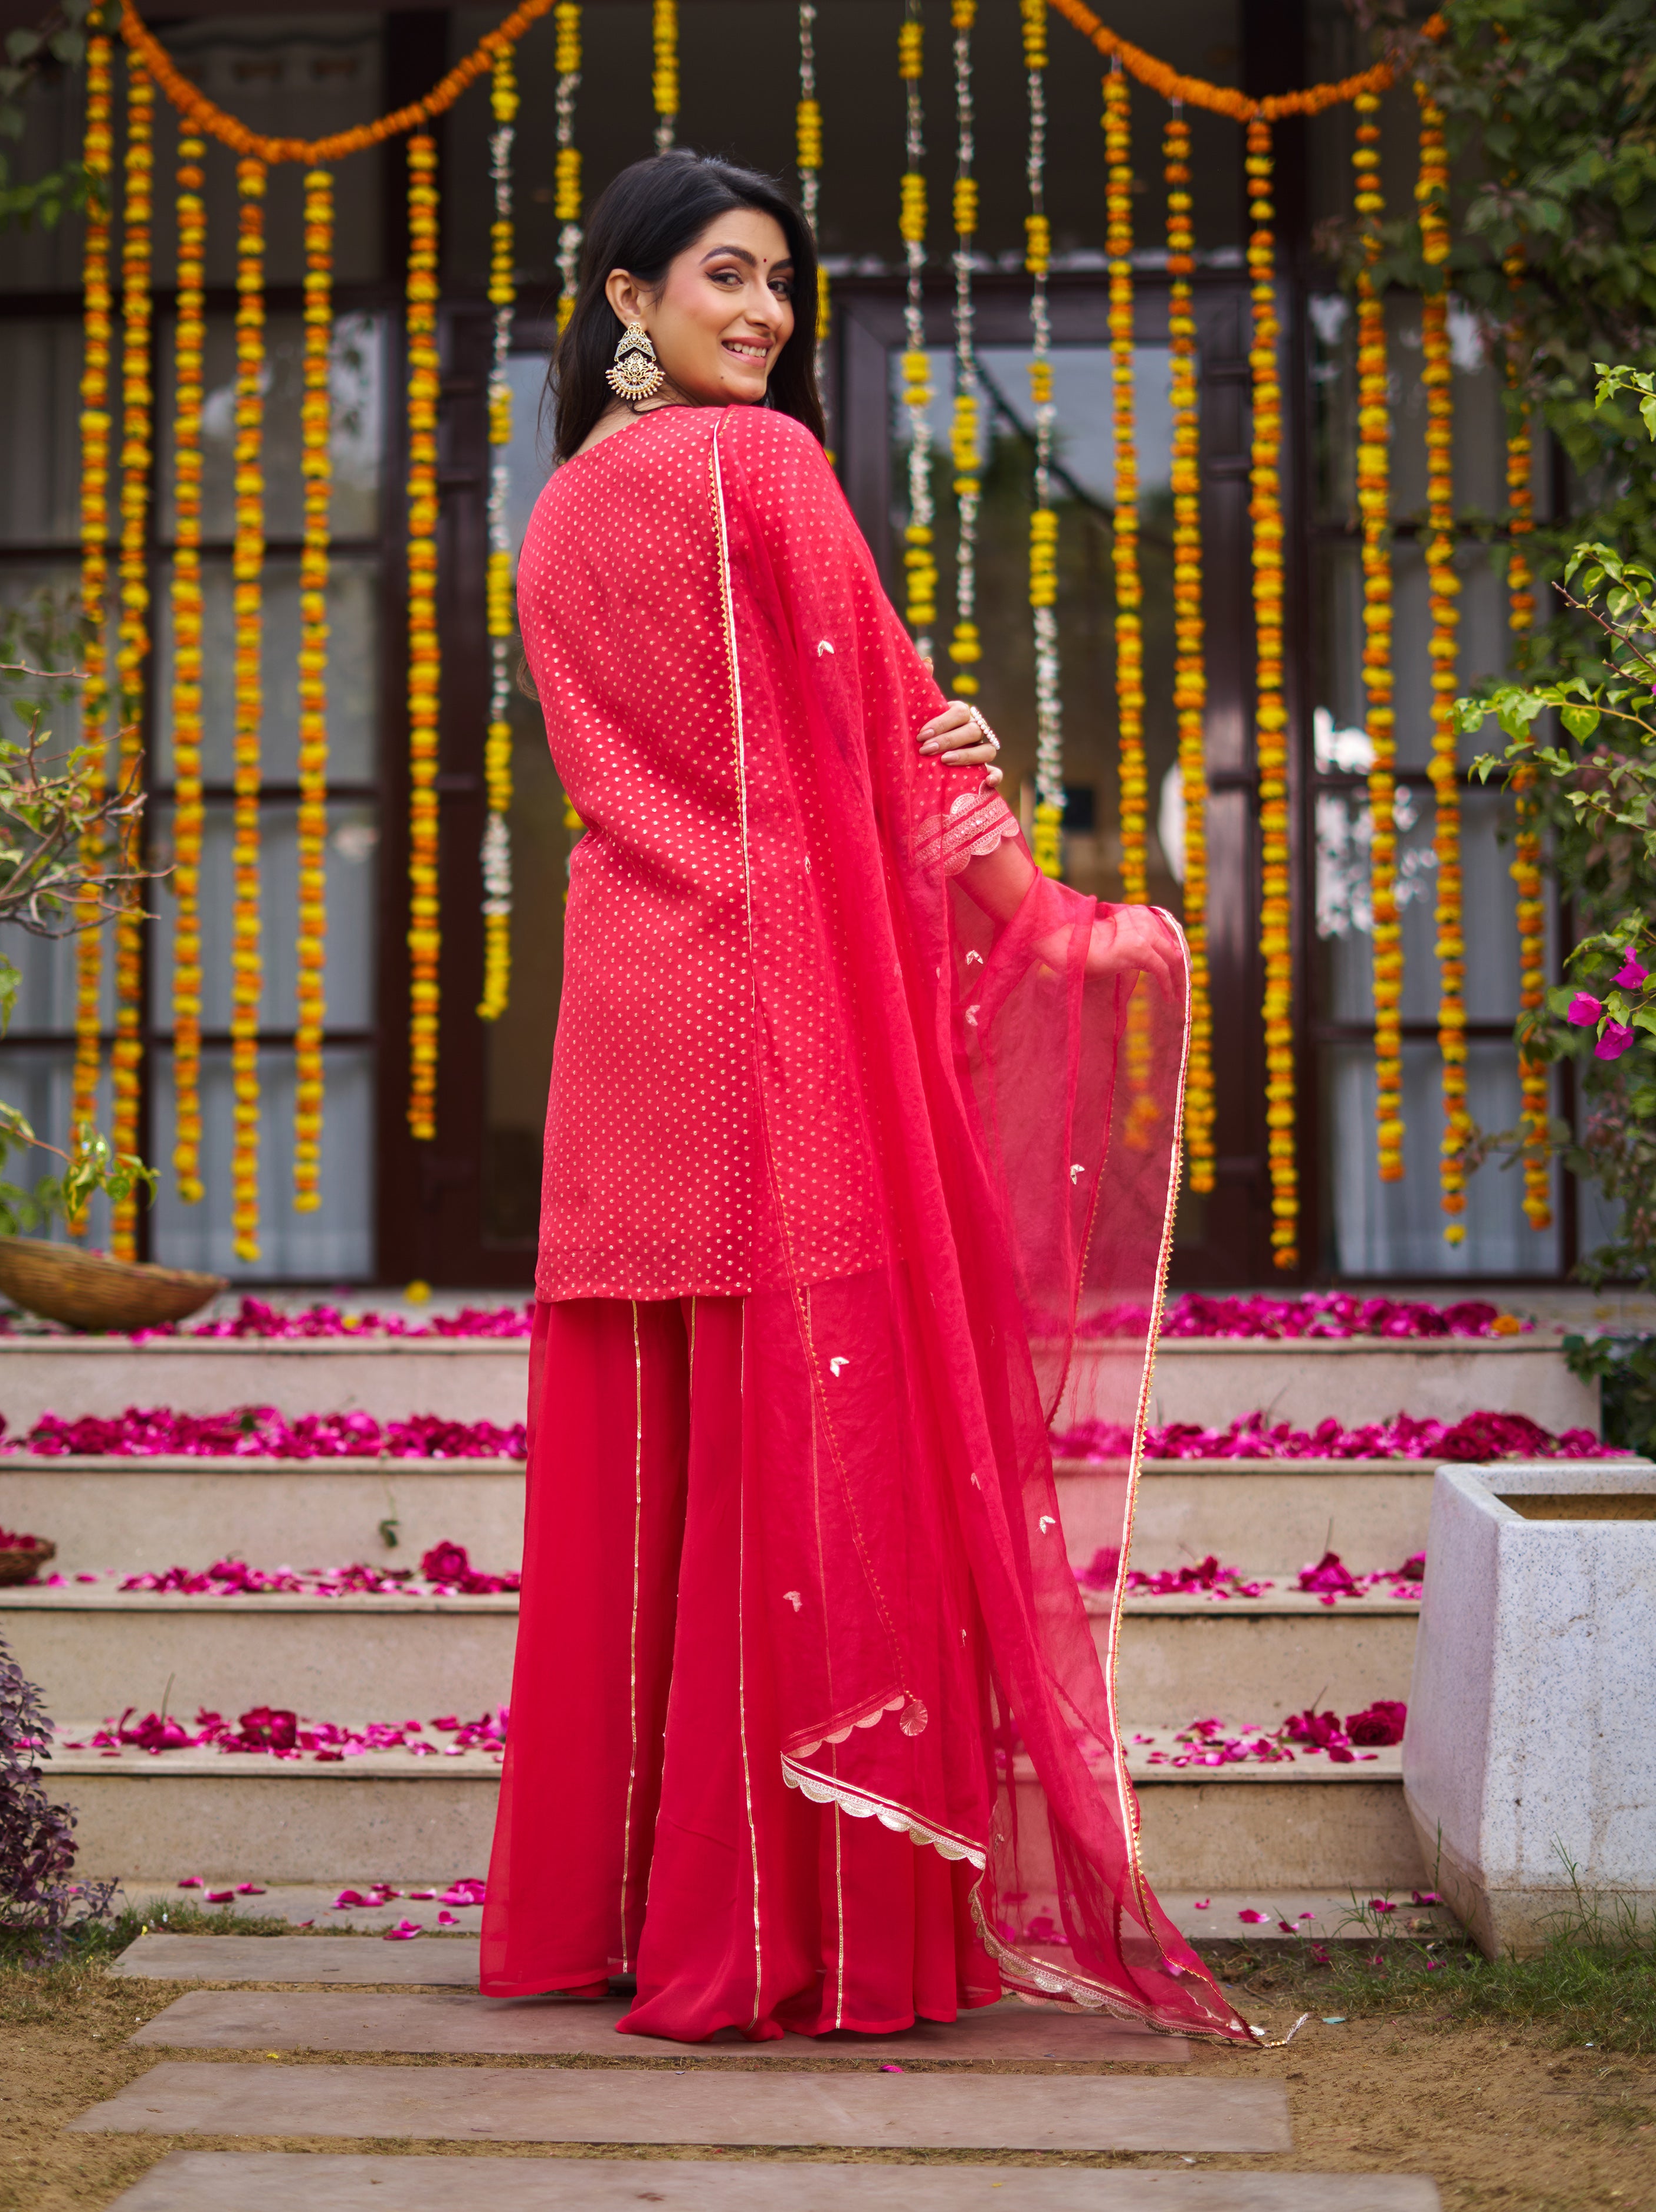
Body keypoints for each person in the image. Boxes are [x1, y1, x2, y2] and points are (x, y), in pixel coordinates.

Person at [478, 150, 1251, 2048]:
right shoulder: (762, 468)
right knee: (811, 1459)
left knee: (651, 1460)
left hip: (627, 1017)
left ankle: (608, 1917)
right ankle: (794, 1929)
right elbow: (898, 738)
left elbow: (793, 732)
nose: (764, 314)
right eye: (725, 277)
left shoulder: (556, 515)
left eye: (780, 285)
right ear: (628, 297)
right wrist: (1048, 921)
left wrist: (904, 739)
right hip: (771, 1013)